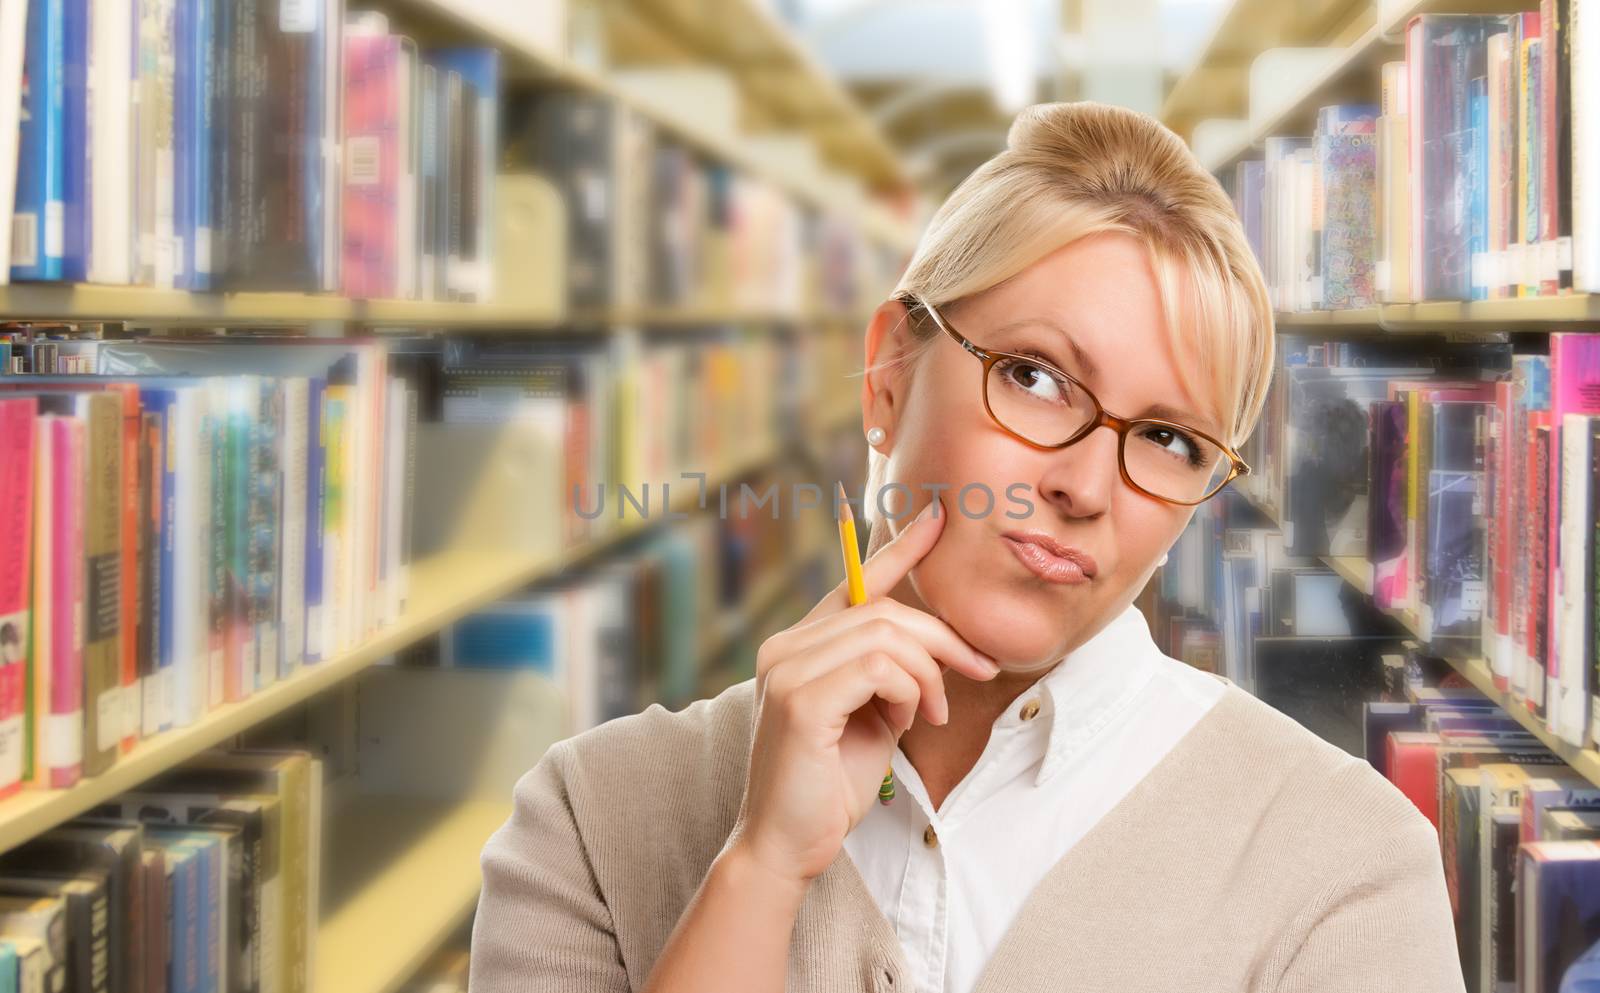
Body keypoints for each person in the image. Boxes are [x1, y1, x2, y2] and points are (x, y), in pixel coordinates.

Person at [468, 101, 1463, 993]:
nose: (1083, 485)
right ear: (888, 374)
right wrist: (760, 867)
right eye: (1035, 378)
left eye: (1169, 439)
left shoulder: (1348, 870)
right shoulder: (594, 819)